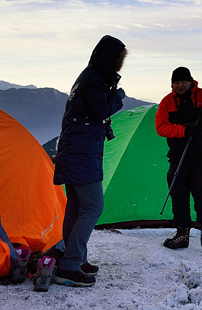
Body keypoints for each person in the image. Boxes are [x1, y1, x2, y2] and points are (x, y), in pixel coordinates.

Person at [52, 35, 127, 287]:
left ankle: (73, 258)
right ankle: (70, 265)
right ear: (111, 59)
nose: (121, 64)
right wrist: (118, 97)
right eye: (119, 60)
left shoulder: (88, 76)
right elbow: (100, 111)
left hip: (76, 149)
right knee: (93, 206)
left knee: (75, 207)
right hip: (81, 152)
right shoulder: (95, 79)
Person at [154, 66, 202, 249]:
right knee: (178, 194)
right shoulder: (167, 102)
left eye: (183, 82)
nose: (180, 85)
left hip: (201, 154)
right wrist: (184, 131)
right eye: (176, 82)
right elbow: (161, 127)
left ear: (190, 81)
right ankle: (182, 233)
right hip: (178, 155)